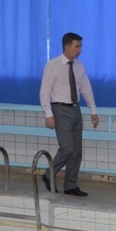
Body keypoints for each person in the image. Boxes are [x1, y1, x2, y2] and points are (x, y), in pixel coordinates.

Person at [39, 32, 98, 197]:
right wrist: (48, 114)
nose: (80, 50)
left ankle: (70, 185)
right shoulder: (53, 65)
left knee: (76, 151)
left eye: (80, 47)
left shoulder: (79, 66)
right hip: (60, 110)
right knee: (67, 147)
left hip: (75, 109)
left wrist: (93, 111)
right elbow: (44, 91)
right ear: (67, 47)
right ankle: (48, 174)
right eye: (77, 47)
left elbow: (86, 89)